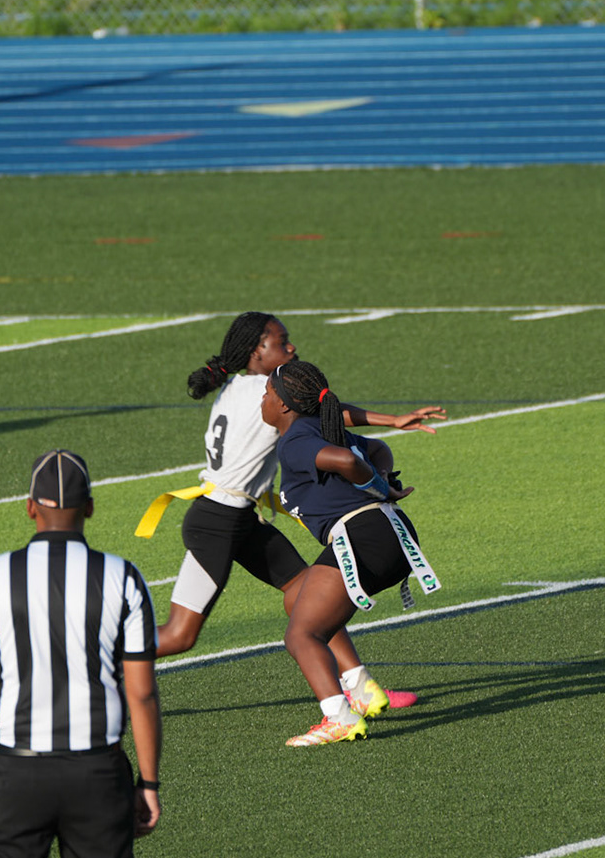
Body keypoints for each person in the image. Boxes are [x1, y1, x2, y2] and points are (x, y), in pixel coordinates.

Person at [141, 312, 444, 721]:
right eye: (281, 342)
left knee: (309, 596)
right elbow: (322, 410)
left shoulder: (238, 386)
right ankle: (96, 659)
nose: (291, 347)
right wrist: (390, 420)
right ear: (256, 351)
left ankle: (360, 688)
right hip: (216, 522)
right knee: (180, 635)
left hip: (240, 518)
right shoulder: (263, 391)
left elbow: (317, 413)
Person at [0, 449, 161, 858]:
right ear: (90, 508)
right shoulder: (123, 576)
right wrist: (148, 783)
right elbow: (141, 692)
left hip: (16, 771)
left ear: (30, 507)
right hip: (96, 771)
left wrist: (15, 681)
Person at [264, 359, 442, 747]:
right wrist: (383, 482)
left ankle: (340, 717)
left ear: (283, 405)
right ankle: (360, 689)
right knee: (298, 598)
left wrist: (379, 486)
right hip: (389, 532)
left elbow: (346, 461)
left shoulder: (294, 441)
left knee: (301, 636)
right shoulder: (323, 427)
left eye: (267, 393)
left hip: (363, 537)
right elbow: (377, 448)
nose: (262, 400)